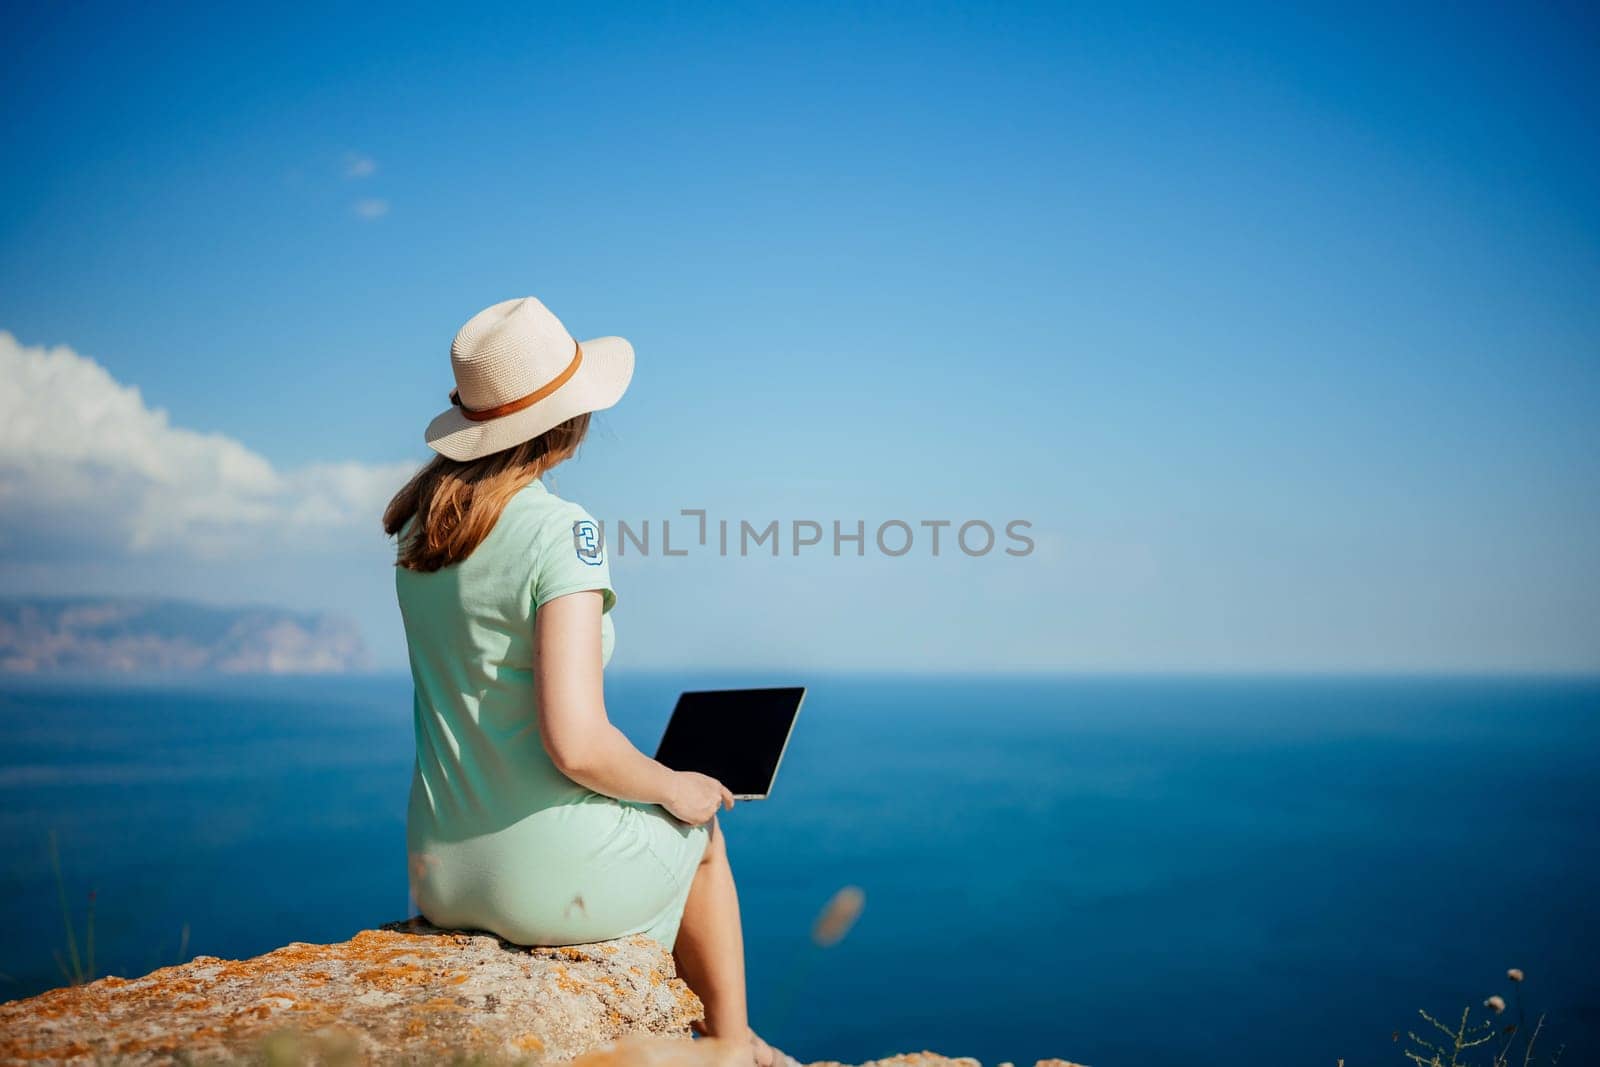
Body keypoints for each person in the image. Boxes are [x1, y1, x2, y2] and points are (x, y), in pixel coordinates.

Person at [383, 297, 791, 1067]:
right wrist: (676, 787)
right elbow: (574, 740)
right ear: (568, 420)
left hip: (438, 869)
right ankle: (732, 1047)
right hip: (533, 877)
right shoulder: (561, 532)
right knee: (701, 832)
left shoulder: (422, 530)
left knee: (666, 806)